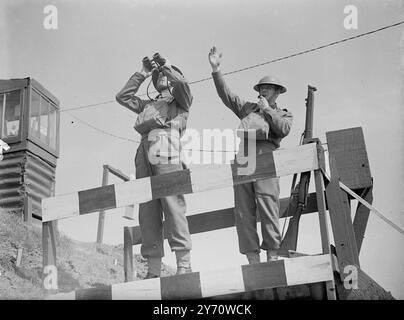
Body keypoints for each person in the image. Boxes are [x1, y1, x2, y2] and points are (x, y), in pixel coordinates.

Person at [208, 46, 293, 264]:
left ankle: (272, 255)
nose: (263, 91)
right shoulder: (247, 109)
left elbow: (283, 129)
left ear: (277, 92)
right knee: (244, 210)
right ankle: (252, 258)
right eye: (261, 87)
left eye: (268, 88)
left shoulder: (283, 113)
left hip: (267, 159)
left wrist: (267, 110)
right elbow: (227, 96)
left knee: (268, 206)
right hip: (244, 160)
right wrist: (216, 69)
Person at [116, 53, 193, 278]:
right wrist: (143, 72)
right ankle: (153, 270)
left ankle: (183, 265)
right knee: (147, 212)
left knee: (172, 207)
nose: (160, 76)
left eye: (164, 74)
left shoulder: (181, 101)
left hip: (166, 149)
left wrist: (167, 66)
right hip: (144, 153)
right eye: (157, 75)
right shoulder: (148, 104)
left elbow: (181, 83)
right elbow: (122, 96)